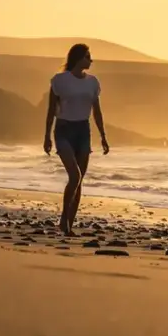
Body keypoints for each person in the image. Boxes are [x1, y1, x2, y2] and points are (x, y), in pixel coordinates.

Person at [44, 43, 109, 236]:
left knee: (79, 180)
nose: (91, 60)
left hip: (83, 130)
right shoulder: (60, 80)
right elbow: (51, 110)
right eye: (87, 57)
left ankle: (68, 226)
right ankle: (64, 219)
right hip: (63, 129)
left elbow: (97, 111)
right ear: (78, 58)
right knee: (75, 175)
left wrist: (103, 136)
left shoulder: (93, 82)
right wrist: (47, 136)